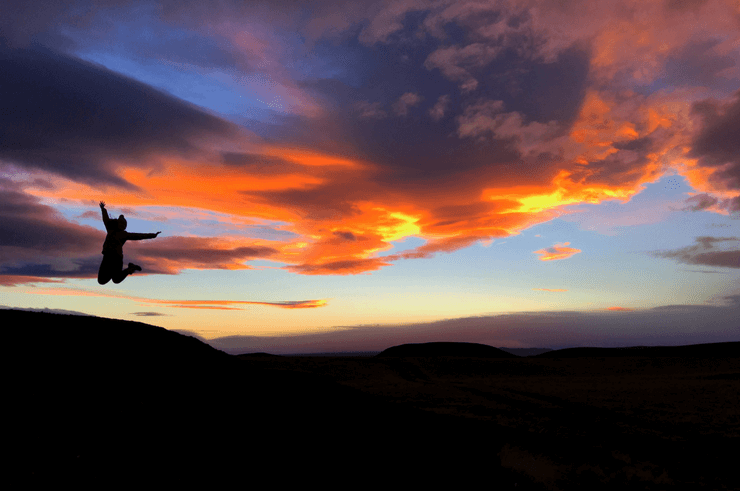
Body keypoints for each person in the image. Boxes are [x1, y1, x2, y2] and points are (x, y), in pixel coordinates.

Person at [97, 201, 161, 285]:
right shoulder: (110, 229)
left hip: (116, 258)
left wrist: (152, 235)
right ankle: (125, 270)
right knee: (101, 281)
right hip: (107, 257)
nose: (122, 227)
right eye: (121, 224)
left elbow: (138, 236)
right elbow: (105, 218)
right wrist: (103, 209)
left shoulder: (124, 234)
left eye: (124, 226)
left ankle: (130, 269)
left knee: (116, 280)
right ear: (117, 224)